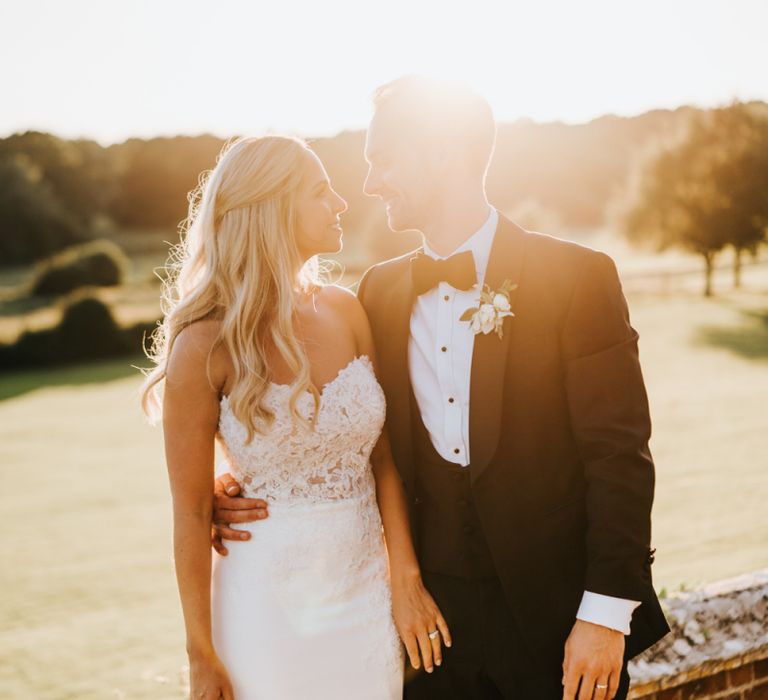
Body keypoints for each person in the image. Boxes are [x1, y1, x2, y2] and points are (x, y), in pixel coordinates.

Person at [212, 77, 671, 699]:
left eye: (383, 161)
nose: (370, 184)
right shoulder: (376, 294)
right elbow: (352, 439)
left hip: (560, 632)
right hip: (430, 639)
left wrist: (605, 615)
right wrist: (238, 485)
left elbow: (619, 458)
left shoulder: (578, 278)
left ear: (442, 154)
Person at [141, 134, 452, 700]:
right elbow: (189, 513)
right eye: (320, 191)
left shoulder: (345, 311)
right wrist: (201, 655)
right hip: (265, 606)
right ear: (271, 207)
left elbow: (381, 459)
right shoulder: (204, 345)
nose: (340, 203)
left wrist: (404, 578)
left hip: (364, 597)